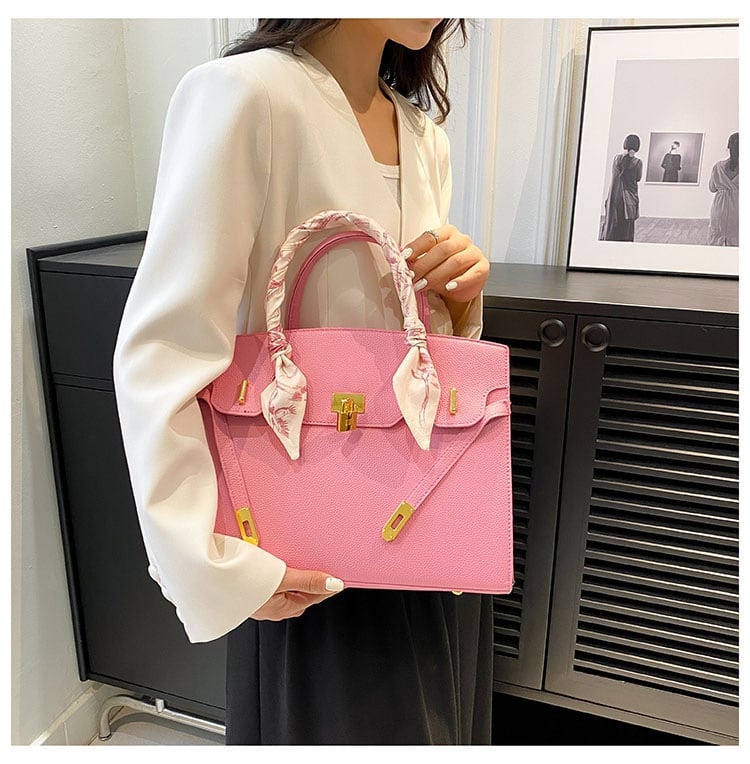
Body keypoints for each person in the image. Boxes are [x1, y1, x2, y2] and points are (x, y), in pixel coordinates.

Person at [112, 19, 493, 745]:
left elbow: (418, 356)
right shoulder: (243, 95)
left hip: (427, 522)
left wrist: (459, 300)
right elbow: (166, 349)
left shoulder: (424, 136)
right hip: (306, 547)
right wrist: (213, 564)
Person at [600, 134, 643, 242]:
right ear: (637, 146)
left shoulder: (616, 159)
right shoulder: (638, 162)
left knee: (612, 223)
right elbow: (638, 178)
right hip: (628, 199)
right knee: (626, 226)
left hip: (614, 197)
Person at [708, 132, 739, 246]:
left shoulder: (718, 166)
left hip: (720, 208)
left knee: (718, 239)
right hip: (739, 207)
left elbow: (712, 188)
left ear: (728, 147)